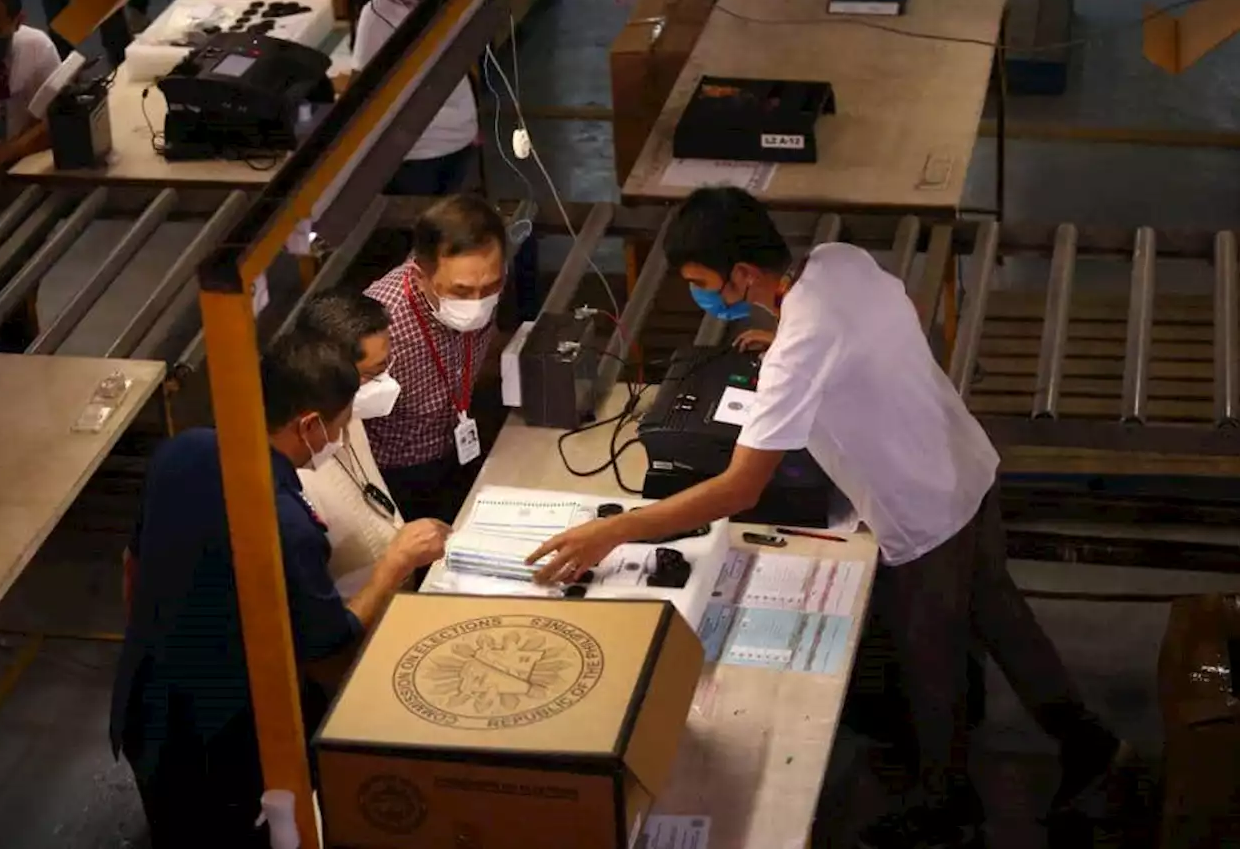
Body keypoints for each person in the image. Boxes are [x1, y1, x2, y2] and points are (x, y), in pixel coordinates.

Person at [524, 186, 1128, 849]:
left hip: (923, 513)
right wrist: (784, 335)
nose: (700, 297)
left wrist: (612, 530)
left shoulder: (798, 348)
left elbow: (738, 490)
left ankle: (950, 807)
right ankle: (1088, 742)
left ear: (742, 274)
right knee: (1001, 612)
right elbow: (844, 333)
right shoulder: (839, 263)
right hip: (968, 467)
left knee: (930, 662)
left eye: (701, 283)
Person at [110, 334, 448, 848]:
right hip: (219, 744)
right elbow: (328, 641)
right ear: (310, 425)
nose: (341, 435)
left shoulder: (183, 451)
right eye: (341, 423)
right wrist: (394, 563)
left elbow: (131, 567)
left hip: (146, 707)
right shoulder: (285, 522)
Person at [361, 193, 506, 524]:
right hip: (397, 474)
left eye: (490, 288)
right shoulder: (380, 323)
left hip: (458, 442)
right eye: (461, 292)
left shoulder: (486, 275)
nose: (478, 302)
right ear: (418, 277)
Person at [291, 288, 407, 597]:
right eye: (372, 373)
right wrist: (397, 561)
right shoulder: (297, 465)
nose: (384, 383)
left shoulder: (351, 415)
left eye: (385, 366)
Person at [0, 0, 60, 350]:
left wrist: (6, 153)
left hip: (19, 201)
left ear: (18, 21)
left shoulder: (37, 50)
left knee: (13, 308)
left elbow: (55, 123)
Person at [350, 0, 478, 196]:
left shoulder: (377, 13)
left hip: (415, 149)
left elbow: (359, 94)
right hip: (461, 132)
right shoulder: (452, 3)